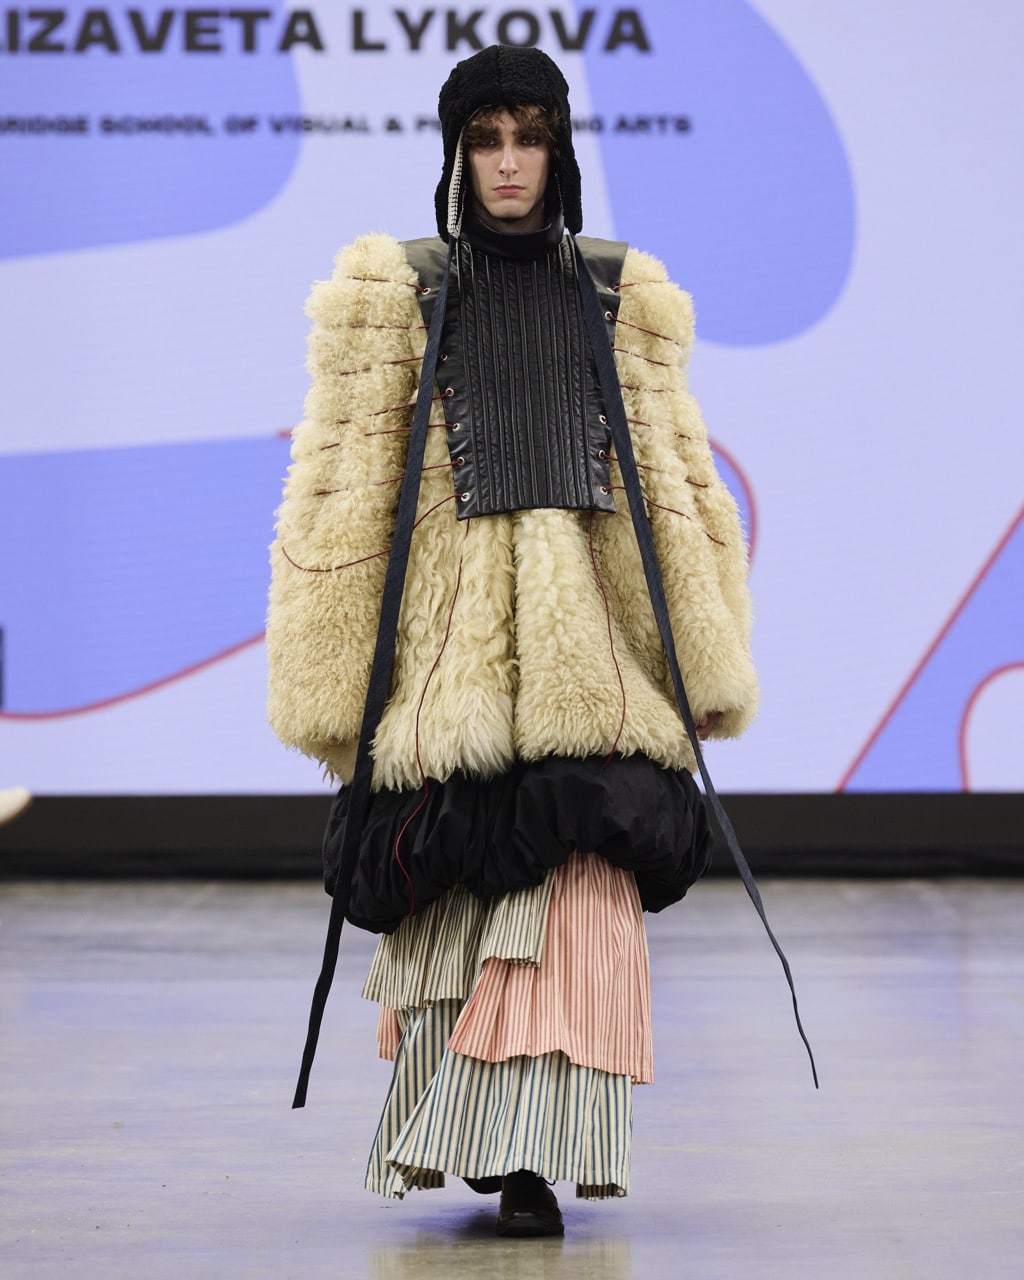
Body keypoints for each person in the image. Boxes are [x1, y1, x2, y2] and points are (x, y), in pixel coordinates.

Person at [267, 45, 760, 1238]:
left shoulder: (615, 291)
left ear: (558, 149)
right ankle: (479, 1144)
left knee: (576, 894)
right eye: (484, 140)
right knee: (463, 897)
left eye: (526, 138)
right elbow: (336, 494)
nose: (505, 164)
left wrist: (699, 662)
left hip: (593, 648)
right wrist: (335, 691)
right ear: (454, 151)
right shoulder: (395, 291)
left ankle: (541, 1153)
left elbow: (674, 488)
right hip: (448, 655)